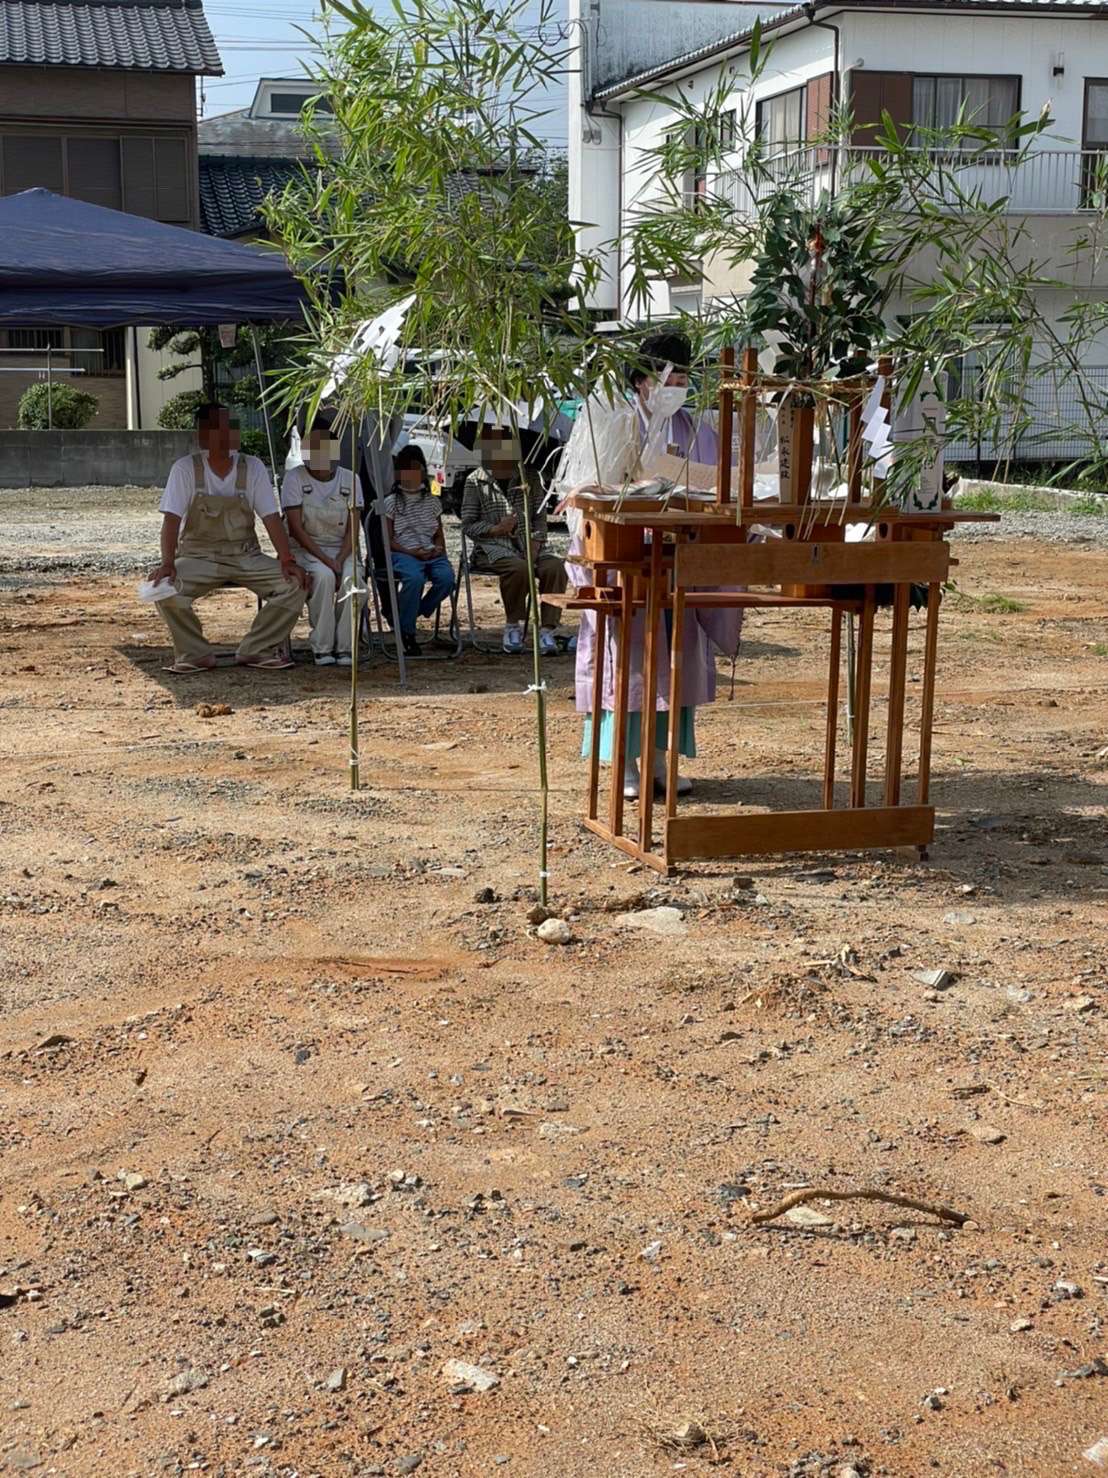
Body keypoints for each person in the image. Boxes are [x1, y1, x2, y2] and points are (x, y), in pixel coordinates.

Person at [149, 403, 308, 674]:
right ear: (202, 434)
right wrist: (167, 563)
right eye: (218, 428)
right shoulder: (185, 469)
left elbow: (271, 518)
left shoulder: (253, 467)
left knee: (295, 584)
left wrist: (286, 559)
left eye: (230, 427)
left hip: (246, 555)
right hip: (198, 557)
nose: (226, 433)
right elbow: (171, 521)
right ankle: (194, 653)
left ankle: (258, 648)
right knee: (163, 588)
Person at [460, 424, 567, 654]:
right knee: (518, 568)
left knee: (555, 567)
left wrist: (535, 543)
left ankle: (547, 629)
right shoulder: (475, 481)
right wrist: (496, 529)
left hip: (530, 545)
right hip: (492, 548)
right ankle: (513, 625)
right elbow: (467, 525)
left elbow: (540, 519)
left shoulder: (530, 477)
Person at [282, 413, 363, 667]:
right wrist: (327, 561)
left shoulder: (351, 479)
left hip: (342, 549)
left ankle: (346, 646)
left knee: (354, 581)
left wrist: (340, 559)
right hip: (308, 550)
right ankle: (322, 646)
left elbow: (353, 529)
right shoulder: (294, 478)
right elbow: (296, 529)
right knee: (324, 577)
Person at [384, 445, 455, 657]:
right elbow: (388, 540)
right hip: (403, 552)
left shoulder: (432, 501)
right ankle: (407, 633)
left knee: (447, 578)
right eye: (407, 470)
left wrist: (439, 549)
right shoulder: (391, 502)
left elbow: (439, 533)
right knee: (414, 579)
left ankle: (417, 610)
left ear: (423, 471)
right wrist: (411, 552)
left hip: (430, 552)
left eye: (416, 469)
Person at [630, 329, 719, 466]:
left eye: (680, 383)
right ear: (639, 381)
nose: (672, 391)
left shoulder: (699, 433)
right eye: (665, 382)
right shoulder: (622, 425)